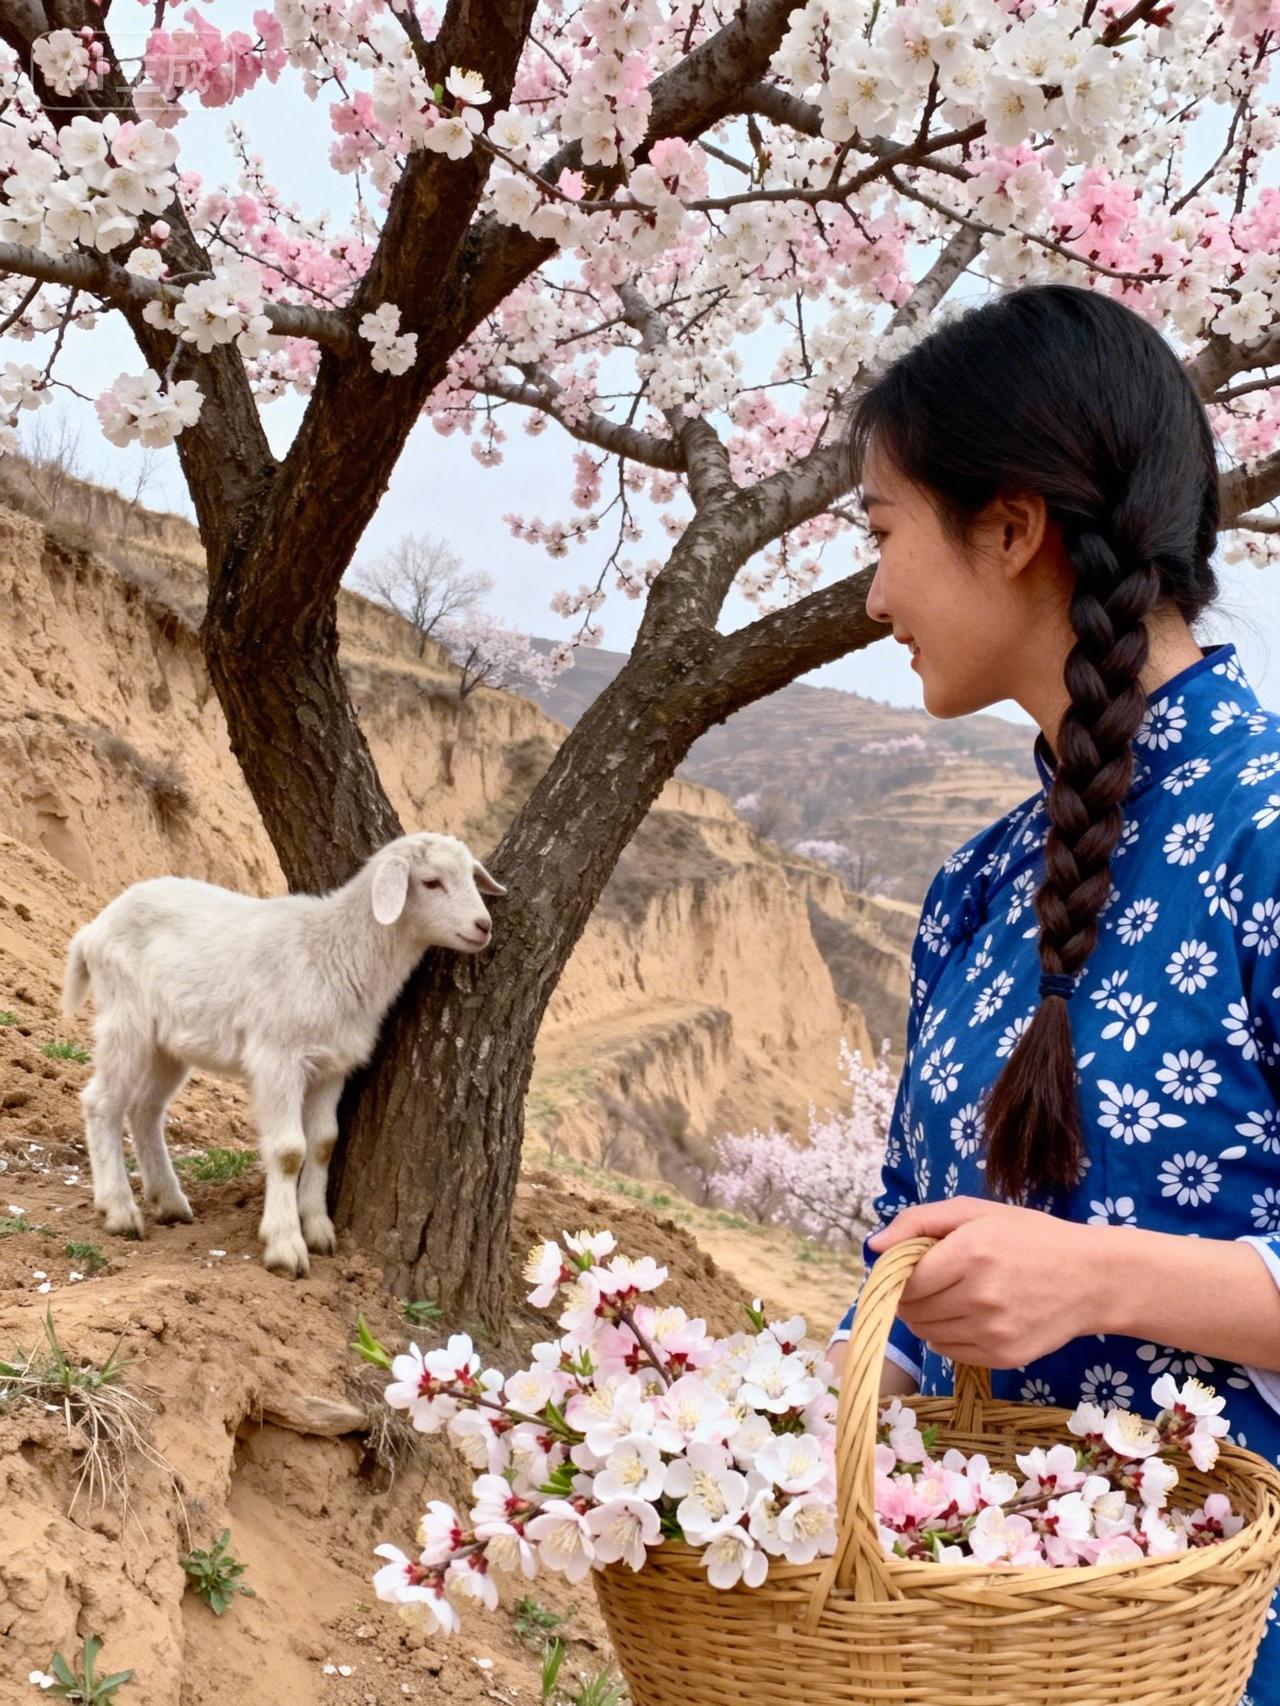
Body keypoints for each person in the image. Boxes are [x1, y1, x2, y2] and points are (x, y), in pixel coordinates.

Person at [825, 283, 1280, 1705]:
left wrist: (1095, 1277)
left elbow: (1065, 1275)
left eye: (885, 532)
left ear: (1011, 528)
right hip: (992, 1646)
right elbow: (903, 1277)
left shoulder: (1270, 827)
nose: (874, 593)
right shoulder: (975, 888)